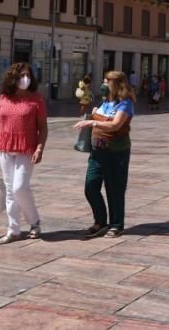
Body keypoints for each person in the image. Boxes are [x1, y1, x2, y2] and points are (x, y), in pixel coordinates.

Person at [0, 62, 48, 244]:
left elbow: (43, 127)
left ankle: (34, 221)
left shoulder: (36, 99)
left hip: (26, 148)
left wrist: (40, 148)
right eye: (21, 75)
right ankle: (13, 230)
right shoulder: (4, 98)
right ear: (13, 78)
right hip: (5, 147)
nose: (25, 79)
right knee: (11, 191)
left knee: (20, 187)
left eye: (27, 75)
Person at [73, 70, 135, 239]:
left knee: (114, 189)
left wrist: (93, 121)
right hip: (97, 151)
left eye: (107, 82)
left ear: (117, 84)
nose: (103, 85)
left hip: (116, 152)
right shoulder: (104, 102)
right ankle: (101, 221)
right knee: (90, 186)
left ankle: (116, 225)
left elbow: (115, 125)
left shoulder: (125, 103)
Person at [74, 74, 94, 152]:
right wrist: (86, 87)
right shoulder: (81, 83)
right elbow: (82, 87)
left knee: (85, 105)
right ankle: (81, 114)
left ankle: (83, 113)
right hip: (84, 95)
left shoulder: (86, 83)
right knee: (83, 104)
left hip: (86, 95)